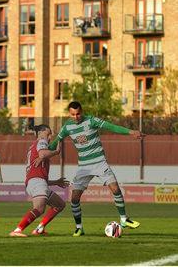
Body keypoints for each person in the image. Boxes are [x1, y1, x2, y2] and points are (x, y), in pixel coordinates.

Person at [47, 101, 143, 236]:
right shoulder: (67, 127)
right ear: (69, 114)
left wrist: (131, 132)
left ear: (82, 111)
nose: (76, 117)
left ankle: (124, 219)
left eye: (78, 113)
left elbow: (111, 127)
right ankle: (79, 227)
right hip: (83, 167)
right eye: (73, 114)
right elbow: (56, 142)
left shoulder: (92, 120)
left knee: (115, 188)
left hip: (99, 162)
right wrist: (42, 151)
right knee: (74, 198)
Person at [9, 124, 69, 237]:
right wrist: (55, 152)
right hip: (37, 182)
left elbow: (39, 170)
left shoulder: (33, 147)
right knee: (39, 209)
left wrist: (56, 182)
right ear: (40, 133)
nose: (50, 137)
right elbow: (42, 154)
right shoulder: (41, 141)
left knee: (59, 204)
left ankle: (39, 229)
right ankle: (17, 230)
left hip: (37, 182)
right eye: (48, 133)